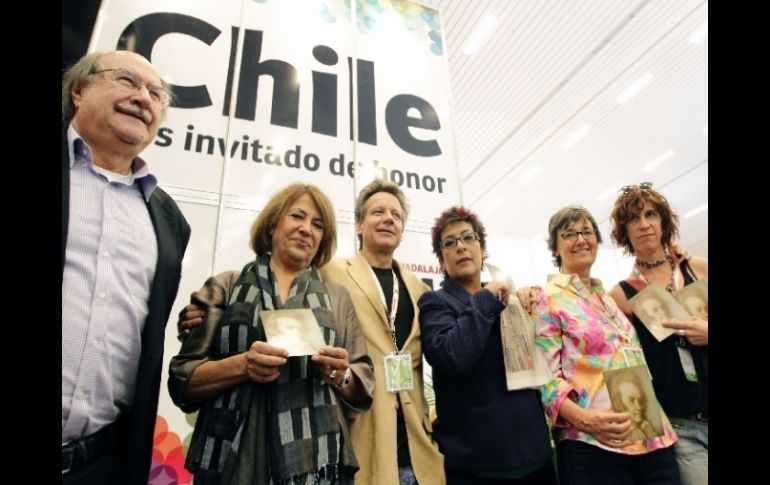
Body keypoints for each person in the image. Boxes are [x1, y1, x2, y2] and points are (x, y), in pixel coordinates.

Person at [177, 179, 445, 485]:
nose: (307, 229)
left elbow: (360, 374)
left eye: (317, 224)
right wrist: (239, 363)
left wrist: (341, 375)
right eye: (297, 216)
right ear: (272, 224)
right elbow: (183, 378)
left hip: (325, 456)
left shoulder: (368, 293)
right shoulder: (230, 287)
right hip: (235, 457)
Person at [62, 51, 191, 485]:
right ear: (78, 91)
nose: (143, 98)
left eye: (156, 94)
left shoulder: (168, 220)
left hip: (103, 462)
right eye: (126, 81)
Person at [534, 205, 680, 484]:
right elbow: (544, 377)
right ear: (555, 248)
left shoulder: (611, 299)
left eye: (587, 232)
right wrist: (583, 419)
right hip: (592, 443)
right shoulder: (547, 298)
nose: (580, 239)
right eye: (569, 234)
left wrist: (675, 257)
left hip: (651, 438)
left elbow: (670, 321)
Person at [418, 206, 557, 484]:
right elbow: (454, 356)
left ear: (482, 250)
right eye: (450, 242)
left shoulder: (512, 299)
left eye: (468, 238)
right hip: (476, 465)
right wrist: (485, 297)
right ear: (442, 261)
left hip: (534, 456)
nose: (461, 247)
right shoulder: (436, 303)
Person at [608, 183, 708, 485]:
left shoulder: (698, 268)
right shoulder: (622, 294)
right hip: (681, 424)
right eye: (633, 219)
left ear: (663, 220)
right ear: (624, 231)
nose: (644, 224)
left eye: (650, 214)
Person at [608, 372, 661, 441]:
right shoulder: (622, 433)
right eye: (631, 401)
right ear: (618, 403)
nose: (639, 407)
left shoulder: (645, 427)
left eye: (640, 400)